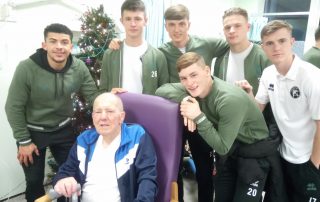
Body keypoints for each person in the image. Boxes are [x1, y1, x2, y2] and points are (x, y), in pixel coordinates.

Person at [156, 52, 287, 202]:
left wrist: (198, 116)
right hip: (232, 151)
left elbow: (222, 146)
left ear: (207, 71)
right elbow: (162, 89)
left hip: (254, 152)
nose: (189, 83)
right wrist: (186, 100)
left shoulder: (228, 100)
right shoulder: (194, 89)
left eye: (194, 75)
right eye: (183, 78)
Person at [5, 23, 98, 202]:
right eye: (53, 41)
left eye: (64, 42)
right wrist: (24, 141)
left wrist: (111, 99)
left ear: (71, 46)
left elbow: (93, 96)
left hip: (63, 128)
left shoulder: (78, 67)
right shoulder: (27, 68)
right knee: (33, 180)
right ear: (44, 45)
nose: (59, 47)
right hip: (32, 132)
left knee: (70, 175)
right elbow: (13, 107)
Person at [237, 20, 320, 202]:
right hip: (282, 156)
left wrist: (314, 165)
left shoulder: (311, 77)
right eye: (270, 43)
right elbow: (257, 110)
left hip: (309, 160)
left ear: (292, 42)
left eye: (281, 41)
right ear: (263, 47)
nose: (276, 48)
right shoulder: (268, 74)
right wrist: (249, 93)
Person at [52, 92, 157, 201]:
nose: (103, 117)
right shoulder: (85, 140)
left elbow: (147, 179)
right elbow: (65, 171)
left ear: (121, 117)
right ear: (93, 117)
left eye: (110, 111)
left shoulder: (136, 136)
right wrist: (62, 180)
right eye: (98, 112)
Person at [99, 0, 169, 95]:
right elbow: (103, 90)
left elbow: (164, 93)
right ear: (122, 21)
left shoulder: (158, 56)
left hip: (147, 109)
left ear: (145, 21)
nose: (133, 24)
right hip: (118, 108)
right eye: (128, 19)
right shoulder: (110, 54)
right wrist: (109, 96)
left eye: (137, 19)